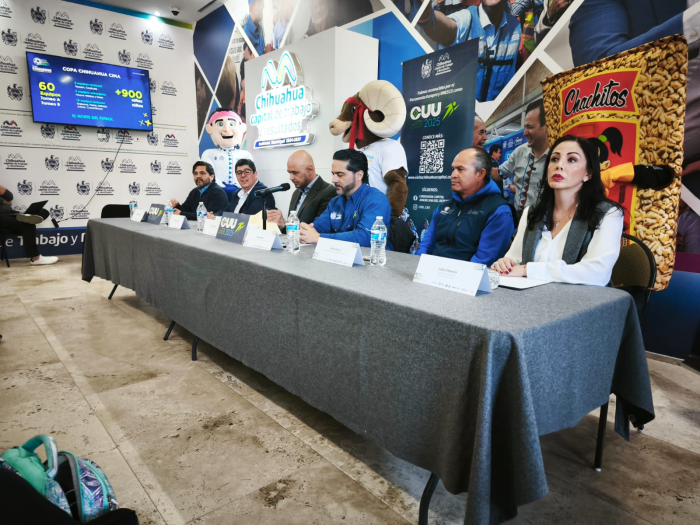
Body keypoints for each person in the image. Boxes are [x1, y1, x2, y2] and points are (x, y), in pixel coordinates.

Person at [492, 135, 624, 286]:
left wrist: (527, 270)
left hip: (581, 299)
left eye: (572, 160)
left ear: (588, 173)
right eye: (554, 159)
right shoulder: (532, 212)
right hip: (530, 297)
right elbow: (514, 258)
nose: (559, 165)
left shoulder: (609, 214)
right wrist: (504, 264)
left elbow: (597, 273)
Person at [416, 147, 514, 265]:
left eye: (460, 169)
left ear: (480, 174)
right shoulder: (443, 207)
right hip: (429, 272)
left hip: (465, 275)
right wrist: (418, 268)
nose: (453, 175)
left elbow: (482, 262)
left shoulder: (499, 211)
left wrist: (445, 273)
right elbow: (425, 246)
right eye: (453, 169)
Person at [419, 0, 522, 102]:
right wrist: (426, 15)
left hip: (496, 110)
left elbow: (509, 83)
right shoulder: (467, 18)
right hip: (459, 109)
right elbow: (445, 28)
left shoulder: (515, 28)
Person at [299, 149, 393, 248]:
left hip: (371, 256)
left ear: (359, 175)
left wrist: (319, 238)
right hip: (339, 255)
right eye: (333, 174)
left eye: (340, 175)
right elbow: (318, 227)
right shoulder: (334, 202)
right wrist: (305, 232)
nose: (334, 180)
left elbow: (365, 238)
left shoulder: (376, 199)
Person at [497, 99, 549, 216]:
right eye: (525, 127)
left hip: (545, 224)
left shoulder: (558, 156)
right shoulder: (520, 151)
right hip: (518, 222)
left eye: (530, 127)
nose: (525, 133)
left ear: (547, 126)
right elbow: (499, 173)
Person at [266, 150, 337, 232]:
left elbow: (318, 230)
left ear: (310, 170)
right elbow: (291, 231)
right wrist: (281, 225)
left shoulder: (329, 192)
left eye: (295, 172)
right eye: (289, 173)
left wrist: (285, 224)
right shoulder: (296, 193)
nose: (291, 178)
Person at [0, 185, 57, 265]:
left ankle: (28, 217)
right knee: (28, 224)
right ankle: (35, 258)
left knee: (43, 211)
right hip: (2, 217)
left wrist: (4, 201)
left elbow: (9, 196)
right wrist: (3, 201)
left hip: (11, 214)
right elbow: (6, 200)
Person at [200, 108, 253, 188]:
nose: (227, 129)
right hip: (217, 192)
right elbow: (209, 175)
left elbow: (249, 175)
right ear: (209, 129)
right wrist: (222, 189)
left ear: (242, 128)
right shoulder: (209, 154)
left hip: (241, 191)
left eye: (232, 124)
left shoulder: (245, 155)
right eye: (220, 124)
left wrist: (238, 188)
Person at [211, 159, 276, 217]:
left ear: (255, 174)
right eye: (239, 172)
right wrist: (213, 216)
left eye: (247, 171)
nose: (243, 175)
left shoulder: (262, 193)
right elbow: (226, 211)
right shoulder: (236, 194)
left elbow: (250, 218)